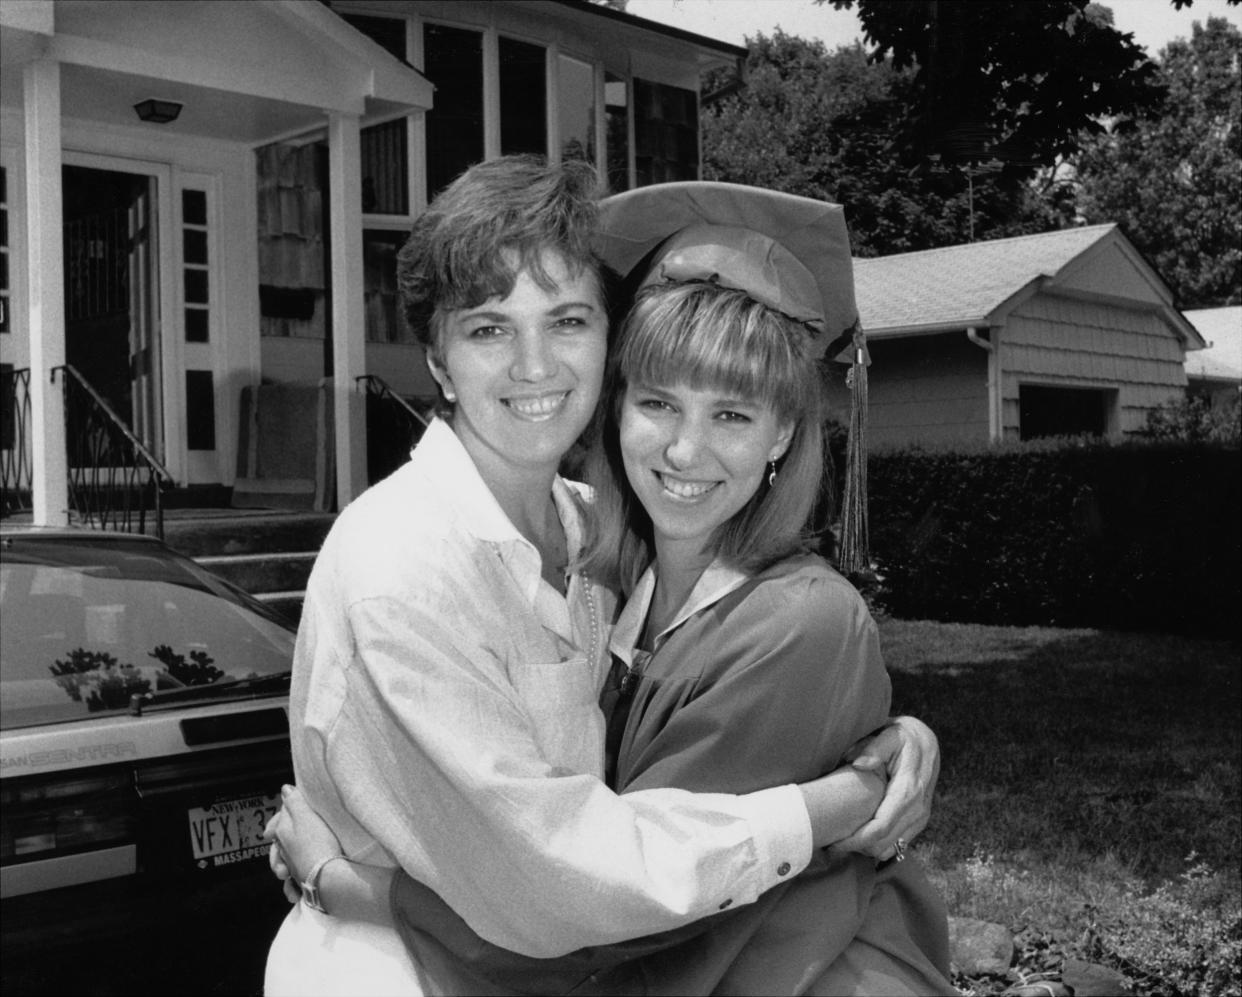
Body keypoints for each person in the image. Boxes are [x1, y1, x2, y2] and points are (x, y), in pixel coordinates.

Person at [264, 158, 941, 996]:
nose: (535, 364)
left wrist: (897, 737)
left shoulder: (595, 538)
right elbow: (566, 890)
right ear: (438, 363)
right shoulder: (403, 573)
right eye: (488, 329)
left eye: (567, 320)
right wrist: (847, 797)